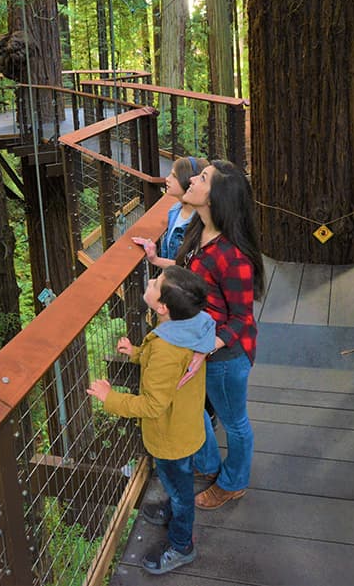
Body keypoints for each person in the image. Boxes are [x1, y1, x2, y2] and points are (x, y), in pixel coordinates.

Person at [136, 160, 265, 511]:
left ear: (217, 197)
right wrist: (157, 261)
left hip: (224, 355)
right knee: (195, 410)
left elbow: (241, 319)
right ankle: (207, 465)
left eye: (202, 178)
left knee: (234, 421)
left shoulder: (233, 255)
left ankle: (233, 483)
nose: (192, 179)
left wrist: (203, 350)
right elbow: (190, 273)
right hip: (197, 346)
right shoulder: (199, 228)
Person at [87, 266, 216, 576]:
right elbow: (164, 364)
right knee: (176, 481)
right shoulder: (189, 326)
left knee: (181, 489)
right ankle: (172, 505)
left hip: (171, 435)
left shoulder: (166, 348)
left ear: (162, 307)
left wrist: (110, 398)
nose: (151, 280)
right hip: (184, 426)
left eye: (157, 282)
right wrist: (136, 353)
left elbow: (153, 404)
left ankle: (182, 545)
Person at [133, 155, 208, 268]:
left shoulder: (201, 223)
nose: (167, 179)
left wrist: (156, 260)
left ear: (189, 181)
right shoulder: (174, 211)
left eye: (174, 176)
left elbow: (190, 268)